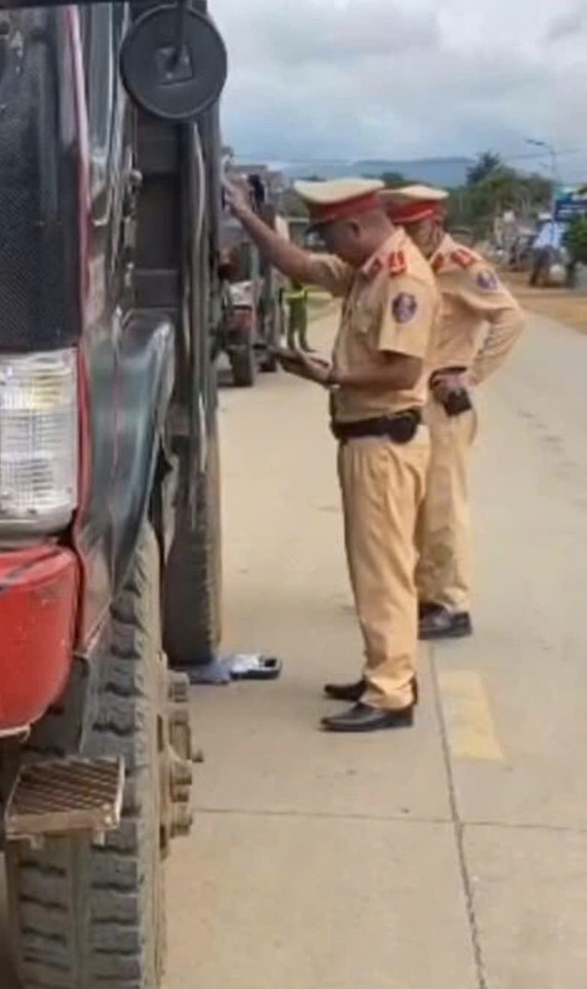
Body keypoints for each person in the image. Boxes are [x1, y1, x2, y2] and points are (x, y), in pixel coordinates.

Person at [224, 176, 437, 734]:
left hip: (384, 441)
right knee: (374, 569)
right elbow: (302, 267)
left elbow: (404, 369)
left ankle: (391, 694)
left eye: (330, 235)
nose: (328, 248)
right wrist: (248, 219)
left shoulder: (402, 278)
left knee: (384, 573)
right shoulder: (370, 268)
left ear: (356, 227)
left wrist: (332, 373)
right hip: (367, 439)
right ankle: (385, 673)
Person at [383, 185, 525, 640]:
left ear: (435, 224)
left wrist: (472, 374)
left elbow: (510, 317)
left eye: (415, 227)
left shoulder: (461, 266)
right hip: (412, 400)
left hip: (444, 402)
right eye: (400, 228)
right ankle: (427, 594)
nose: (406, 235)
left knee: (444, 506)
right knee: (418, 508)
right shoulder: (407, 266)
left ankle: (452, 604)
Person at [284, 275, 312, 352]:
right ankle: (301, 344)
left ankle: (292, 344)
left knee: (293, 322)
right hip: (297, 298)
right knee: (300, 322)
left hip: (295, 296)